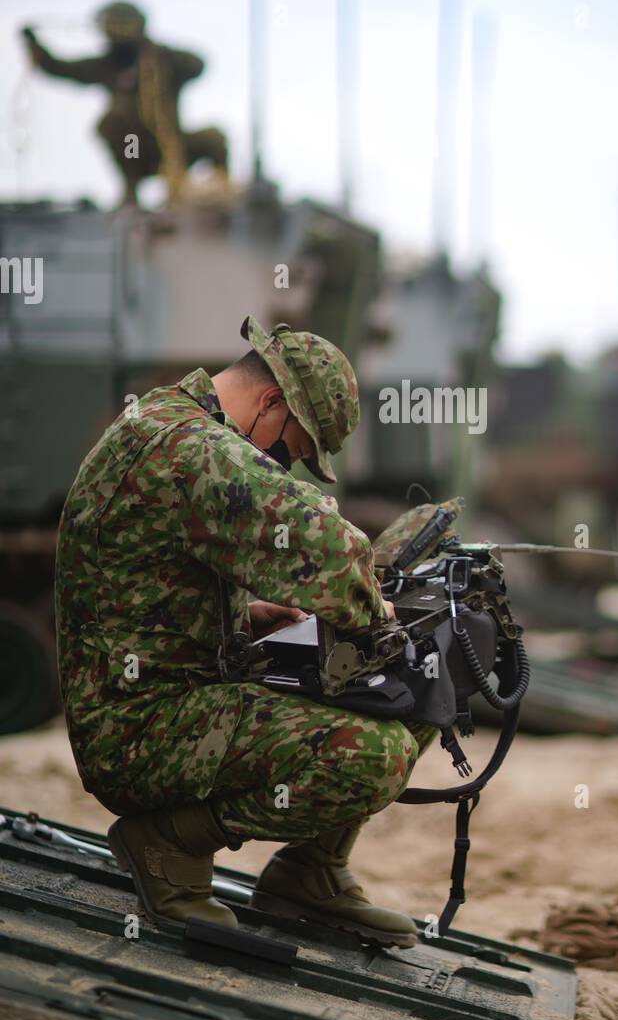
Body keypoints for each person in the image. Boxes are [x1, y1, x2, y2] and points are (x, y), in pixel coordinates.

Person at [55, 314, 436, 946]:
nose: (286, 464)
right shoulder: (191, 446)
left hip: (166, 694)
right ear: (270, 403)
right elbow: (332, 549)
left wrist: (243, 614)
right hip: (137, 729)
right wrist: (378, 616)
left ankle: (310, 871)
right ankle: (165, 844)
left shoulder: (169, 421)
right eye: (294, 450)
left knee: (418, 691)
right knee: (375, 754)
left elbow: (137, 584)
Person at [20, 0, 229, 205]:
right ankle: (131, 187)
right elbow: (58, 68)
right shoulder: (108, 65)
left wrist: (157, 53)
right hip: (136, 149)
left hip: (172, 147)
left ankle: (221, 192)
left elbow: (198, 64)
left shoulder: (164, 60)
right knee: (115, 124)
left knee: (214, 138)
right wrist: (32, 43)